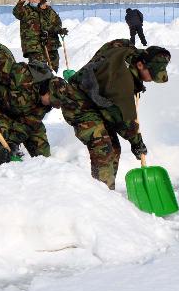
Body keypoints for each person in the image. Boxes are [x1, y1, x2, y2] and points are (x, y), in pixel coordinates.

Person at [49, 40, 171, 189]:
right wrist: (137, 143)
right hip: (78, 104)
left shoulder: (127, 51)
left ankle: (107, 191)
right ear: (140, 65)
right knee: (103, 148)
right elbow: (124, 120)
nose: (151, 80)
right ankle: (102, 197)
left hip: (98, 101)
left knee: (114, 148)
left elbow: (114, 44)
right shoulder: (122, 82)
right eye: (151, 74)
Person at [13, 0, 68, 72]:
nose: (34, 0)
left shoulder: (45, 11)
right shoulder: (26, 10)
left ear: (39, 0)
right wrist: (21, 2)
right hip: (33, 46)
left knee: (53, 67)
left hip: (49, 44)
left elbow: (54, 23)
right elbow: (17, 12)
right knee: (38, 69)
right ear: (29, 0)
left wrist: (58, 30)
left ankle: (52, 82)